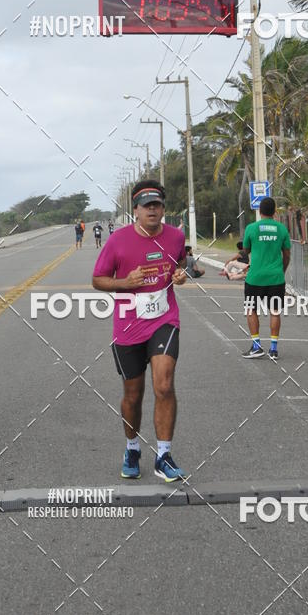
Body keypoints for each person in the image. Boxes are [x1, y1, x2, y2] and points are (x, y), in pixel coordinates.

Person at [92, 179, 188, 482]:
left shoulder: (175, 237)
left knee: (164, 384)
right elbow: (98, 279)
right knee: (133, 395)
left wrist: (180, 275)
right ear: (135, 210)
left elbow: (181, 263)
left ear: (163, 208)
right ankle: (132, 448)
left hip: (164, 321)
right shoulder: (118, 241)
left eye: (157, 205)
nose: (152, 210)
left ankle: (164, 455)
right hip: (128, 327)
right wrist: (124, 284)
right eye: (147, 205)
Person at [240, 197, 291, 360]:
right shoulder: (282, 229)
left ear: (260, 211)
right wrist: (281, 271)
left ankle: (256, 346)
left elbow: (246, 250)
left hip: (255, 278)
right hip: (276, 278)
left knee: (250, 309)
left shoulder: (251, 228)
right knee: (275, 312)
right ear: (274, 212)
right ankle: (274, 349)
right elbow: (287, 254)